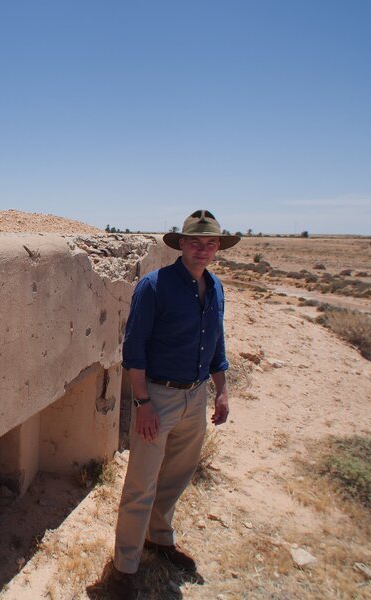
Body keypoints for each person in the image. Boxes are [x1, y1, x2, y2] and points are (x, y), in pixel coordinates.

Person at [110, 209, 240, 598]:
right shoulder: (154, 286)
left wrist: (221, 389)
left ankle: (159, 539)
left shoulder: (215, 289)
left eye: (210, 243)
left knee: (176, 477)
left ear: (218, 248)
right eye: (195, 242)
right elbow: (133, 350)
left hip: (196, 396)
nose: (203, 250)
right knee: (141, 484)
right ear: (181, 244)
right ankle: (124, 568)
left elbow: (216, 346)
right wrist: (143, 402)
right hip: (159, 398)